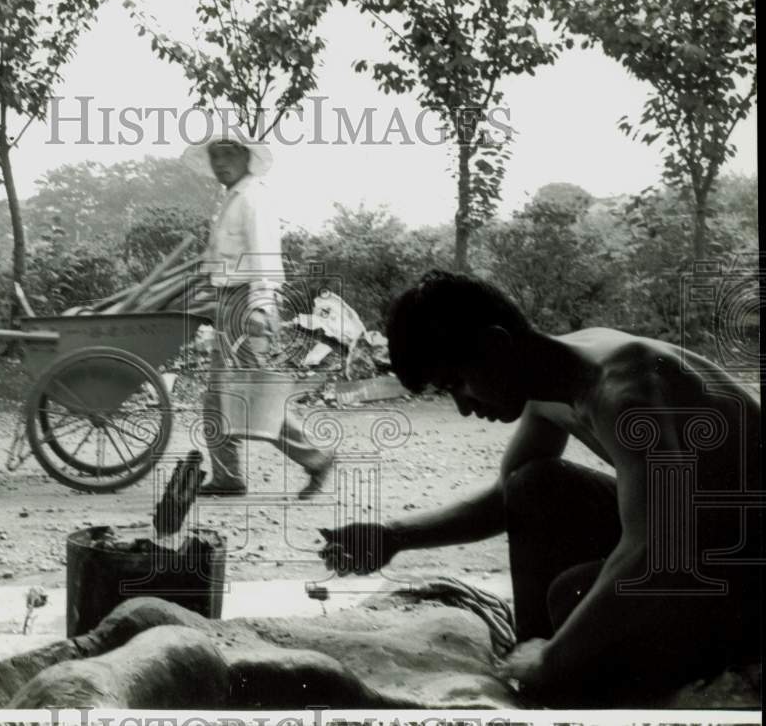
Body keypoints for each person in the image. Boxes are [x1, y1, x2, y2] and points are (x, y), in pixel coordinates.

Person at [320, 269, 762, 705]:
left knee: (572, 599)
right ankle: (534, 669)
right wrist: (394, 535)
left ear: (496, 345)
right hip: (699, 536)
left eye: (458, 384)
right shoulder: (555, 377)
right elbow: (506, 499)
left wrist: (556, 655)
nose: (462, 407)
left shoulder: (627, 396)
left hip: (747, 570)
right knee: (534, 484)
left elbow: (658, 553)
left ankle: (550, 675)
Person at [182, 137, 334, 499]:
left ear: (247, 157)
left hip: (248, 303)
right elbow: (224, 258)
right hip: (230, 301)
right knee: (220, 398)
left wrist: (260, 307)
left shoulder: (254, 198)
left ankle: (315, 457)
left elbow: (265, 256)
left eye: (229, 154)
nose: (221, 162)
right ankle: (227, 476)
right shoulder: (231, 199)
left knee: (251, 395)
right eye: (215, 156)